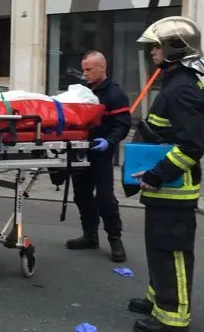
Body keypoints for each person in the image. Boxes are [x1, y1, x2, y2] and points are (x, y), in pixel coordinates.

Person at [128, 16, 204, 332]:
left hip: (174, 188)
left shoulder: (182, 90)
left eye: (157, 46)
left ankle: (173, 319)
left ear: (174, 49)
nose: (152, 52)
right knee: (158, 249)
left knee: (172, 253)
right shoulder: (175, 82)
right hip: (164, 187)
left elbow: (192, 147)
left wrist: (156, 173)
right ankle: (158, 300)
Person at [66, 51, 131, 262]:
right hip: (81, 150)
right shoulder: (82, 92)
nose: (85, 73)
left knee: (105, 198)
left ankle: (115, 239)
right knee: (82, 195)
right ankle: (90, 235)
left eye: (89, 69)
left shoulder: (115, 94)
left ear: (103, 68)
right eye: (83, 69)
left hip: (101, 153)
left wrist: (109, 142)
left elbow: (123, 125)